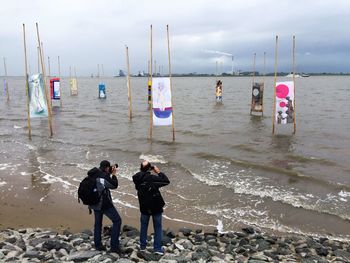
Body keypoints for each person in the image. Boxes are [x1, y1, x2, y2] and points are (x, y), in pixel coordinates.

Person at [132, 160, 170, 255]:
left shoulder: (137, 178)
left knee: (144, 226)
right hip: (155, 207)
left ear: (140, 168)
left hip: (144, 206)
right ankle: (157, 248)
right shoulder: (152, 178)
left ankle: (142, 247)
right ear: (149, 168)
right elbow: (166, 181)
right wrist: (158, 172)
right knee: (157, 227)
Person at [87, 160, 122, 253]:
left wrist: (108, 173)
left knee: (98, 224)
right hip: (103, 203)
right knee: (117, 220)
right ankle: (114, 247)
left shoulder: (94, 173)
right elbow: (114, 185)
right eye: (109, 167)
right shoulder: (103, 176)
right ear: (107, 168)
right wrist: (114, 174)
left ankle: (98, 245)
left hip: (94, 202)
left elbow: (102, 182)